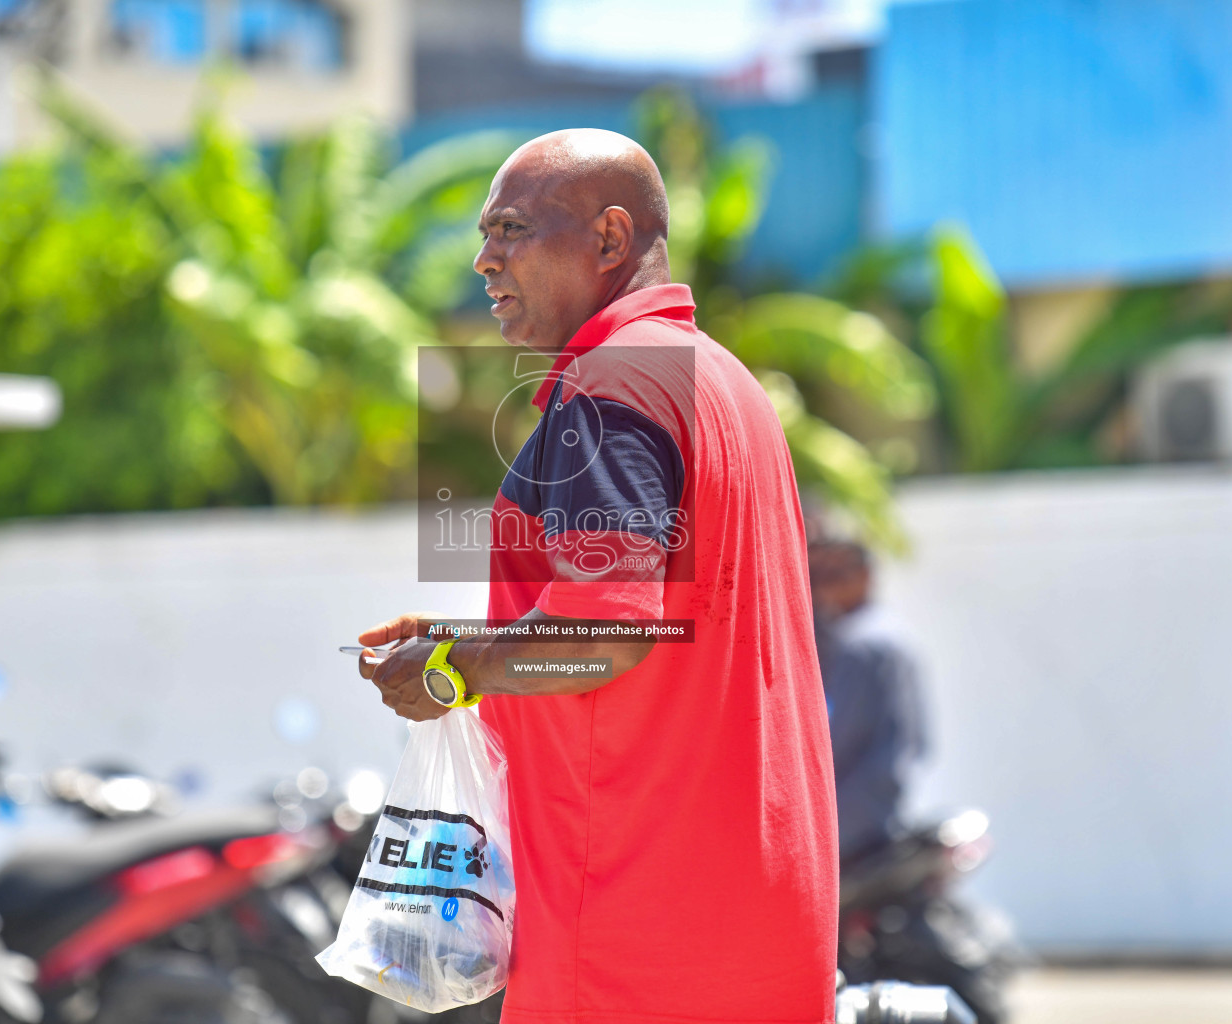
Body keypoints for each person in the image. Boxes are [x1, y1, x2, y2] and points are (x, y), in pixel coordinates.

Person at [357, 130, 837, 1024]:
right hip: (757, 926)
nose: (483, 260)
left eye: (510, 230)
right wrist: (469, 641)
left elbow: (606, 634)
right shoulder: (721, 384)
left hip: (629, 936)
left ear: (610, 240)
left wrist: (451, 671)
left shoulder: (613, 387)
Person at [808, 540, 928, 865]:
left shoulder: (860, 644)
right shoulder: (887, 632)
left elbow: (835, 741)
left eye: (835, 573)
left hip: (854, 808)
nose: (823, 585)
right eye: (817, 575)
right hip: (884, 800)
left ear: (864, 575)